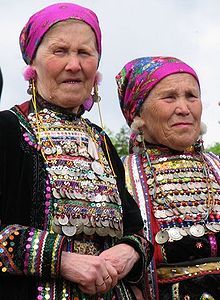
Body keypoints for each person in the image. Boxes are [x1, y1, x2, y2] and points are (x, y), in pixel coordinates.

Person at [0, 3, 153, 300]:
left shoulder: (101, 141)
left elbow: (136, 231)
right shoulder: (7, 130)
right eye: (60, 51)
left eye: (85, 53)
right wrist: (61, 259)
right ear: (33, 64)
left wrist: (129, 251)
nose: (74, 64)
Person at [116, 56, 220, 299]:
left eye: (191, 96)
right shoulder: (120, 176)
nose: (184, 108)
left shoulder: (217, 167)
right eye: (169, 97)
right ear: (138, 112)